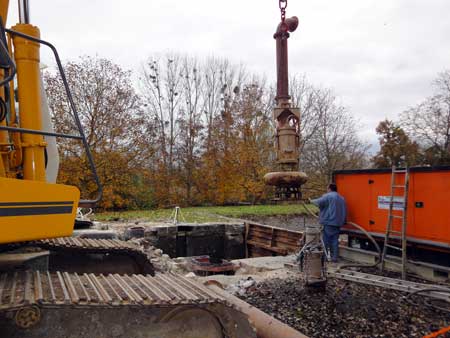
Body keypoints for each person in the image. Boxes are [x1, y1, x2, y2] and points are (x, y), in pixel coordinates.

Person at [310, 183, 346, 263]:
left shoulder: (328, 196)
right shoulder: (341, 198)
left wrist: (310, 201)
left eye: (327, 189)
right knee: (334, 240)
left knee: (325, 240)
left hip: (329, 222)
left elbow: (318, 202)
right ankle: (334, 258)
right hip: (338, 223)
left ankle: (325, 258)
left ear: (329, 189)